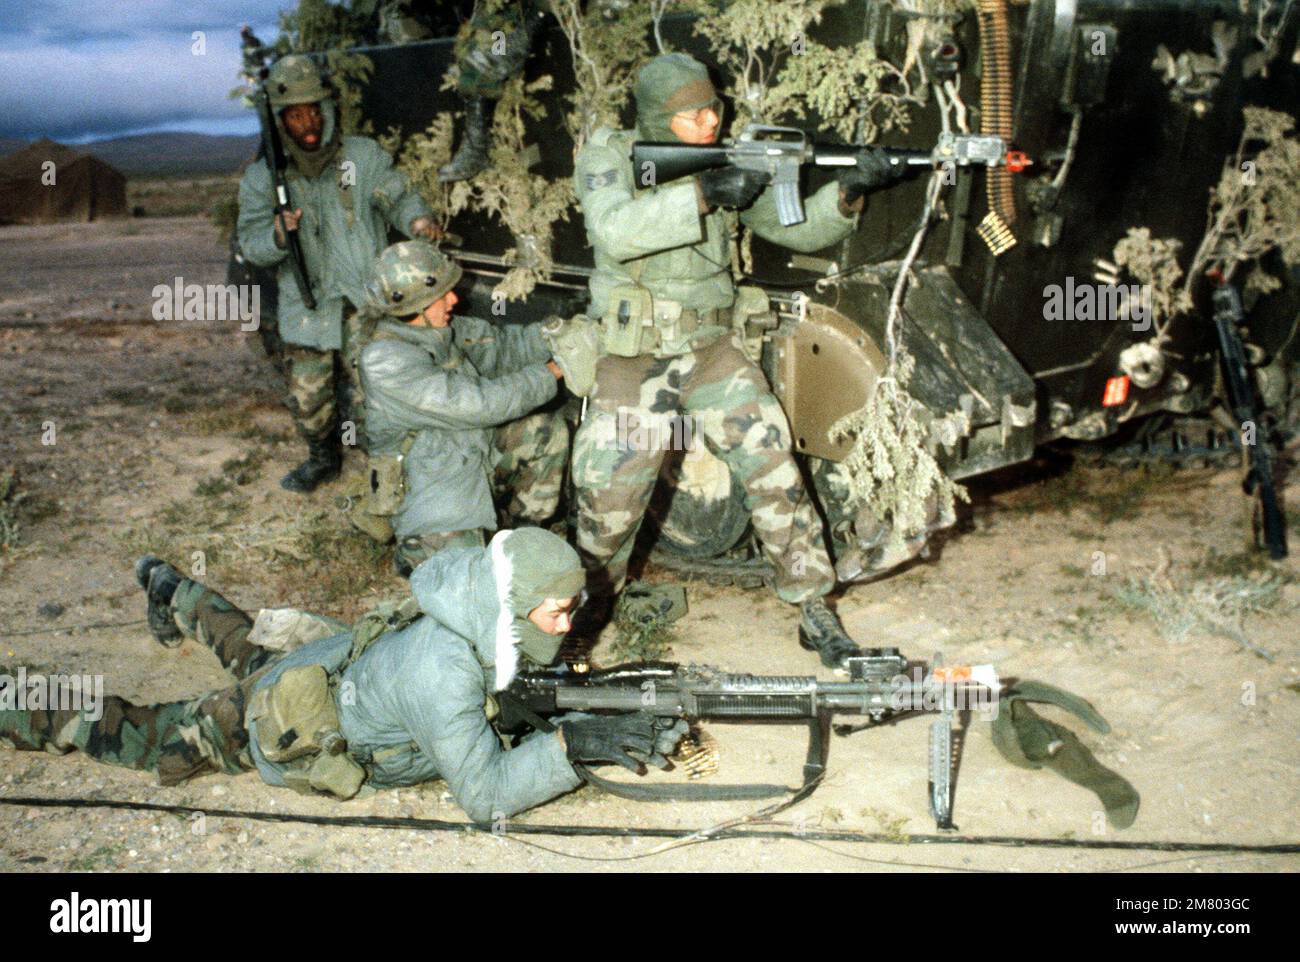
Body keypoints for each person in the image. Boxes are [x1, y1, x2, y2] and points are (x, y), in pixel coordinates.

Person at [569, 53, 907, 670]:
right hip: (635, 353)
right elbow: (613, 229)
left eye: (714, 111)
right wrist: (704, 192)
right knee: (610, 498)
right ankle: (580, 614)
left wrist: (852, 189)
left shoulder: (724, 155)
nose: (708, 125)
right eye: (690, 116)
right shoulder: (607, 158)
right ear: (653, 119)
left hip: (711, 348)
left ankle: (812, 605)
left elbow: (794, 229)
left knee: (773, 463)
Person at [0, 531, 683, 822]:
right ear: (510, 604)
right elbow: (487, 797)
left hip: (323, 665)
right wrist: (570, 748)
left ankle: (165, 584)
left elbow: (513, 691)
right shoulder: (440, 671)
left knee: (250, 649)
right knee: (134, 733)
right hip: (283, 725)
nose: (565, 628)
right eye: (556, 612)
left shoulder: (480, 609)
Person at [237, 54, 441, 493]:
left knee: (380, 393)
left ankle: (390, 469)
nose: (308, 123)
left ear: (327, 110)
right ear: (279, 120)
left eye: (314, 111)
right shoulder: (263, 179)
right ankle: (322, 458)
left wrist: (418, 221)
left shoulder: (362, 157)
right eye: (295, 115)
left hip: (366, 299)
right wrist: (275, 235)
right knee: (311, 400)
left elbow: (398, 196)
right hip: (308, 305)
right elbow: (250, 245)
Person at [353, 240, 570, 576]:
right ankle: (417, 548)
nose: (454, 300)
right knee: (459, 579)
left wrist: (557, 334)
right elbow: (479, 405)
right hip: (430, 475)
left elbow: (504, 349)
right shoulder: (384, 361)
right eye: (442, 296)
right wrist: (550, 373)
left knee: (544, 431)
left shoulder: (443, 329)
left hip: (472, 447)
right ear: (415, 306)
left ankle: (522, 537)